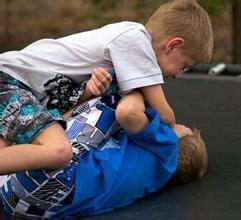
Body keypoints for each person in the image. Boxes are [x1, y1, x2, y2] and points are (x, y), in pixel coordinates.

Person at [0, 0, 213, 173]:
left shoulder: (120, 65)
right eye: (184, 66)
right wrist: (172, 131)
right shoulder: (134, 39)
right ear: (173, 45)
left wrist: (88, 92)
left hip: (22, 89)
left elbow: (66, 106)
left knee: (10, 152)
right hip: (10, 79)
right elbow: (163, 113)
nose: (177, 75)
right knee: (58, 150)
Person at [0, 90, 207, 219]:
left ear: (183, 135)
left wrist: (137, 86)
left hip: (59, 178)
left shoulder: (167, 149)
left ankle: (29, 125)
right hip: (25, 206)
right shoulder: (153, 178)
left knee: (112, 101)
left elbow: (128, 112)